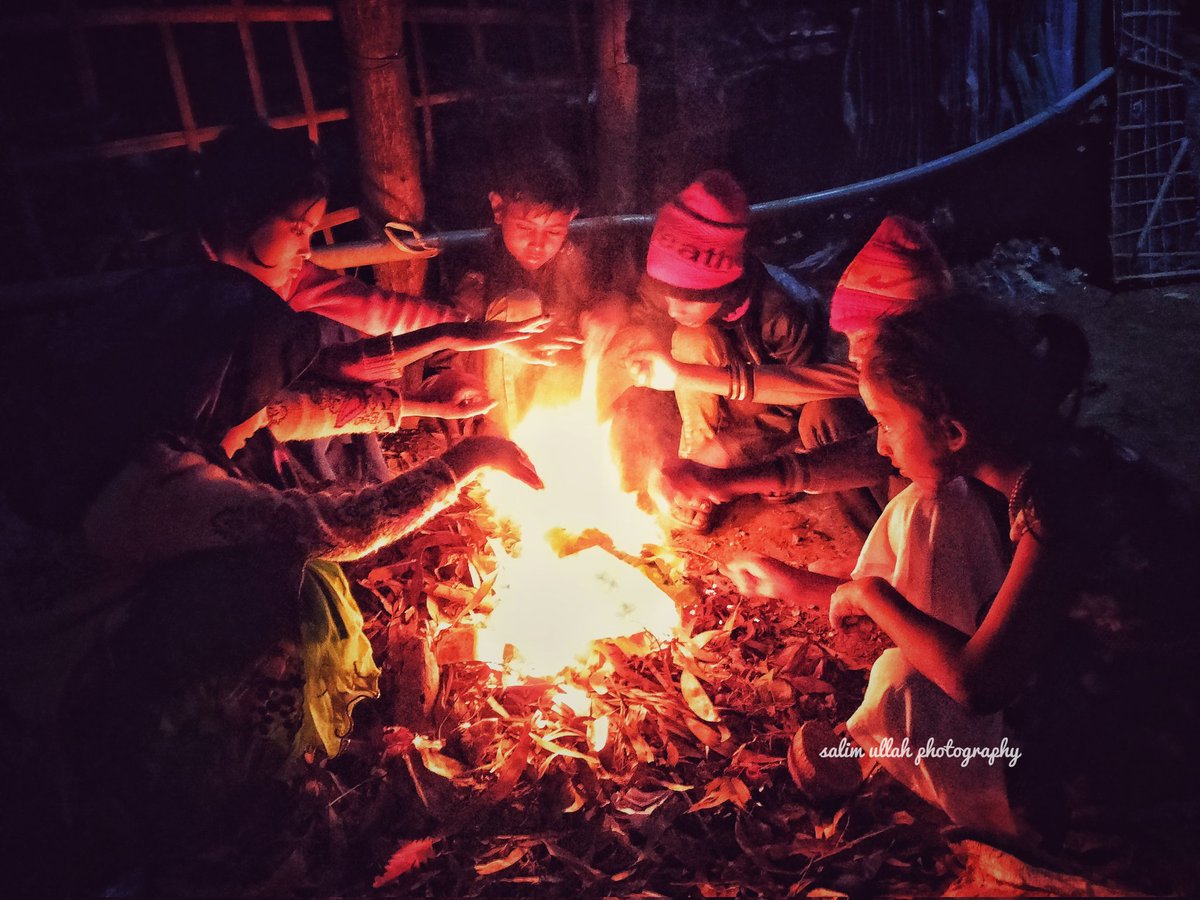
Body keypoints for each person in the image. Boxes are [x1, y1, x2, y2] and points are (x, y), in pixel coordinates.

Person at [0, 264, 544, 894]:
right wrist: (468, 459)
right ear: (214, 387)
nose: (262, 409)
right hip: (54, 680)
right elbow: (339, 529)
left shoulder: (117, 411)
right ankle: (196, 800)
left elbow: (293, 414)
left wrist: (424, 398)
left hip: (50, 640)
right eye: (253, 393)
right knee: (265, 582)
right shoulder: (156, 484)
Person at [728, 297, 1197, 885]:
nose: (880, 445)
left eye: (888, 424)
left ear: (952, 432)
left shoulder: (1059, 501)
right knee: (926, 512)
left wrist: (871, 594)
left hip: (1144, 763)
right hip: (1120, 690)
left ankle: (896, 765)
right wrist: (813, 587)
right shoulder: (1050, 460)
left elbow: (980, 682)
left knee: (904, 682)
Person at [195, 123, 563, 482]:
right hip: (205, 483)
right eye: (298, 232)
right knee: (328, 331)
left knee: (335, 330)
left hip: (251, 443)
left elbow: (373, 316)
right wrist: (457, 461)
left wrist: (461, 338)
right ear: (236, 218)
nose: (307, 251)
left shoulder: (273, 285)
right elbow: (295, 400)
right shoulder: (194, 314)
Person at [657, 215, 956, 542]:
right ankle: (876, 559)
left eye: (862, 341)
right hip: (771, 409)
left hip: (938, 516)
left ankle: (888, 554)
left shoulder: (929, 404)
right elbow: (865, 452)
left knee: (828, 417)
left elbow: (863, 452)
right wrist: (730, 480)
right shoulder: (904, 376)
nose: (852, 354)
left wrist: (739, 460)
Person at [618, 172, 872, 532]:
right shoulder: (675, 298)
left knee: (821, 413)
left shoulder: (781, 314)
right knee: (691, 340)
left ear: (721, 287)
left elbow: (796, 401)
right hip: (724, 410)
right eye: (666, 295)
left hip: (780, 420)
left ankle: (742, 472)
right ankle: (696, 482)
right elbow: (647, 335)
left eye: (687, 300)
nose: (673, 308)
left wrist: (729, 452)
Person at [451, 144, 626, 434]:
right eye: (525, 228)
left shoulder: (576, 258)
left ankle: (589, 433)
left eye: (554, 232)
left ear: (571, 218)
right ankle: (503, 438)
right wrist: (511, 339)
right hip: (491, 397)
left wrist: (614, 306)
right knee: (518, 307)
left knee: (638, 339)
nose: (538, 244)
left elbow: (616, 297)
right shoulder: (479, 262)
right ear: (498, 208)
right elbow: (452, 333)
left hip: (560, 387)